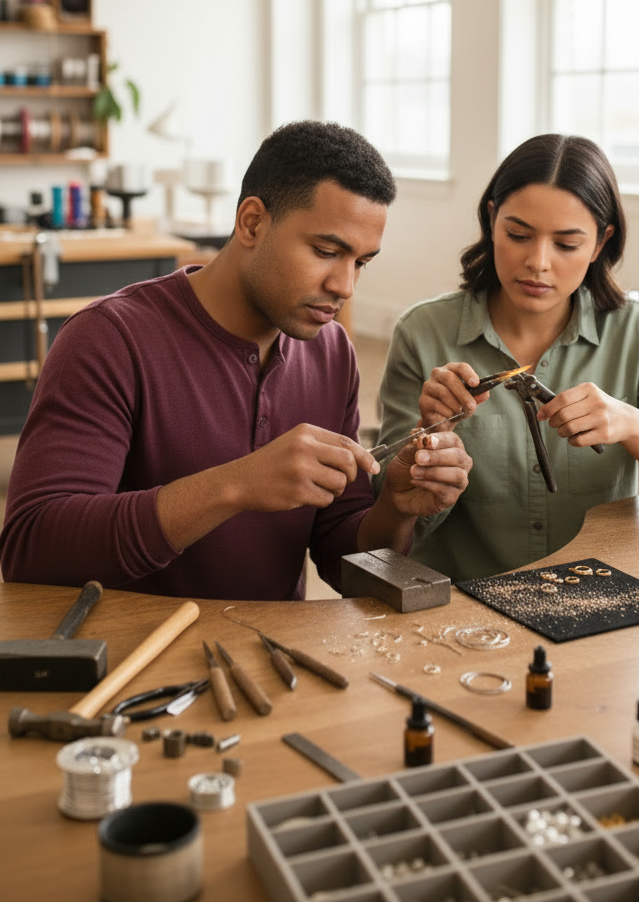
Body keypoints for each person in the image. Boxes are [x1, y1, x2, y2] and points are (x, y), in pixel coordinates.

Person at [0, 121, 471, 599]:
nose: (345, 287)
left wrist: (395, 506)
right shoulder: (109, 339)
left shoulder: (331, 352)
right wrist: (235, 484)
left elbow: (341, 562)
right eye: (326, 251)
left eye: (361, 263)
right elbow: (32, 550)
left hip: (273, 661)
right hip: (136, 662)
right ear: (252, 222)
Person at [373, 133, 639, 583]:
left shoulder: (636, 330)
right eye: (518, 235)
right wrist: (430, 441)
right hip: (464, 605)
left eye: (566, 244)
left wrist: (631, 422)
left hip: (597, 593)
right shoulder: (423, 333)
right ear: (491, 220)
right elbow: (386, 519)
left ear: (601, 242)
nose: (538, 262)